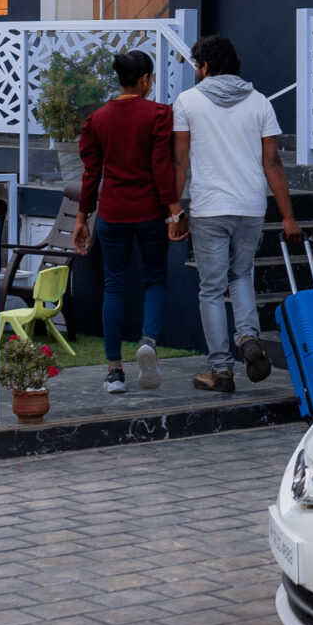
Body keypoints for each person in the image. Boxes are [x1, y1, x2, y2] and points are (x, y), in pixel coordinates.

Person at [172, 33, 299, 393]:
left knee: (212, 289)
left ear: (205, 66)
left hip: (210, 208)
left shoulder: (188, 101)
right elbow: (272, 162)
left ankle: (221, 369)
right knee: (241, 275)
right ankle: (247, 337)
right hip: (250, 206)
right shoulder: (259, 102)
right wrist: (288, 216)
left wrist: (174, 210)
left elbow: (180, 160)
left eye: (197, 65)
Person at [71, 48, 181, 393]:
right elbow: (162, 167)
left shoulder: (97, 120)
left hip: (113, 213)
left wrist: (82, 217)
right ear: (145, 80)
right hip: (150, 212)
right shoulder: (159, 114)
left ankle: (114, 371)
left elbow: (91, 175)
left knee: (114, 285)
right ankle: (148, 341)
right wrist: (174, 212)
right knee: (155, 279)